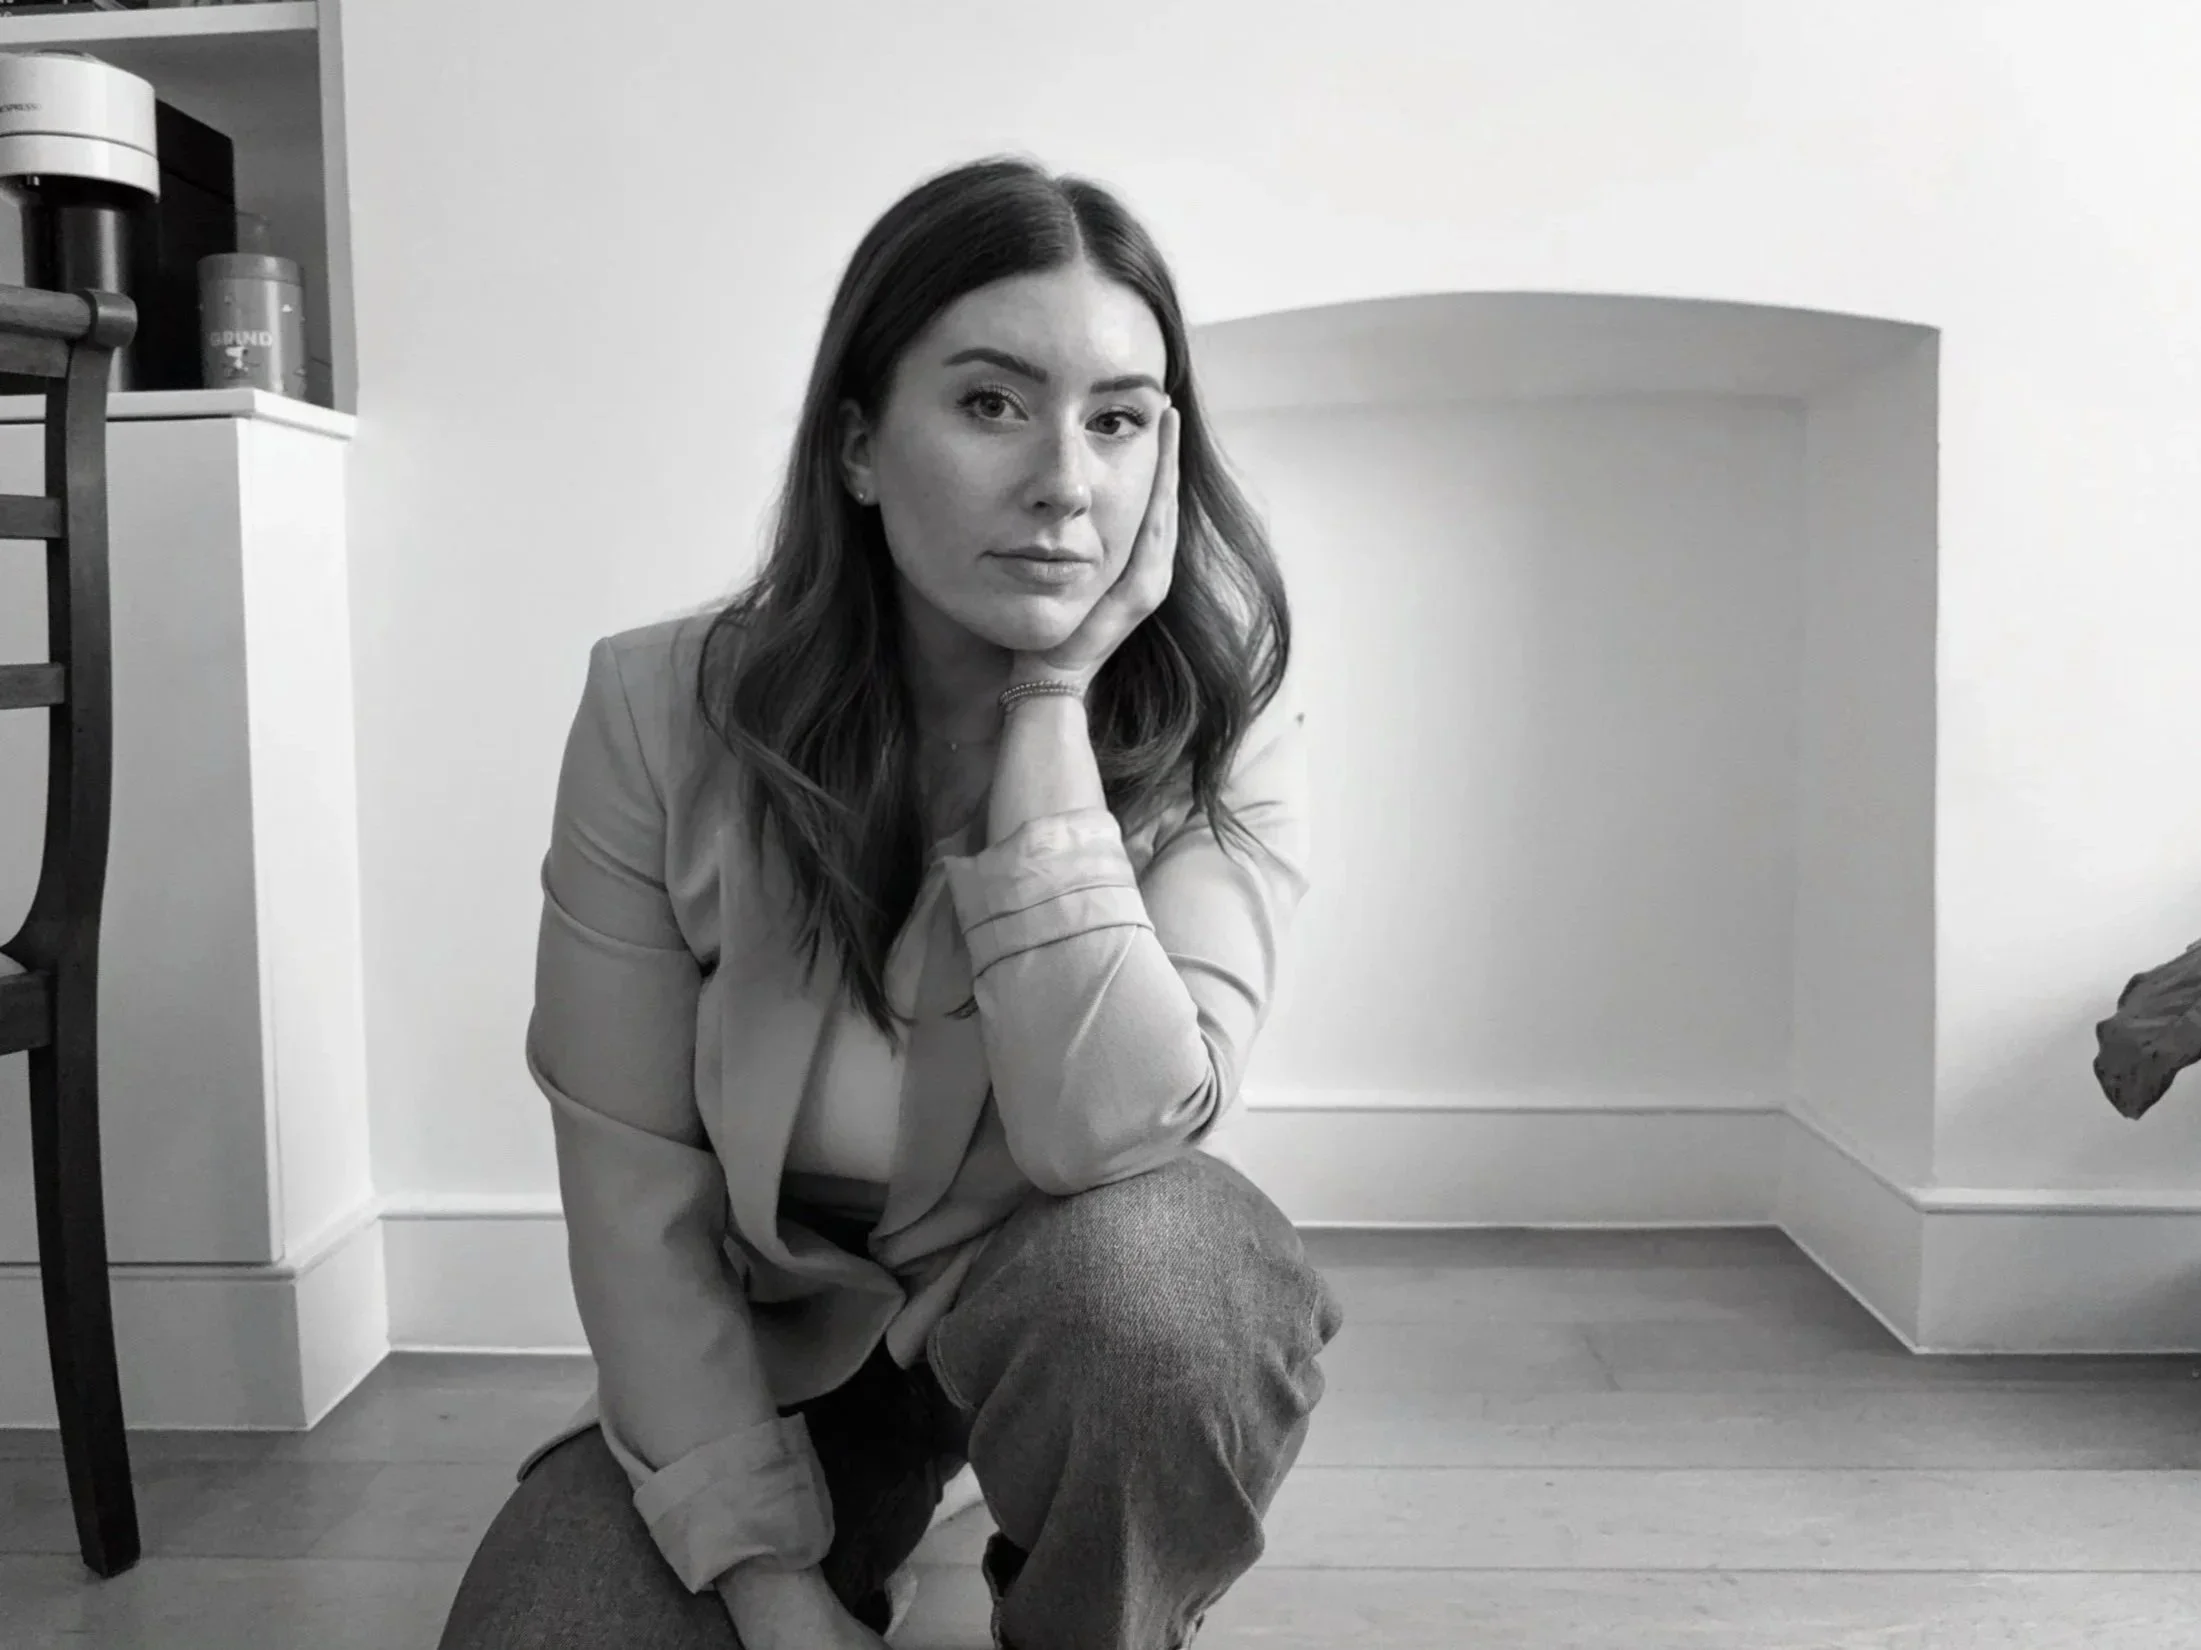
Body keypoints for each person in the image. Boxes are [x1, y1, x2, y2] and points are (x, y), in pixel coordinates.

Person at [436, 153, 1346, 1650]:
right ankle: (858, 1532)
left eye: (1118, 420)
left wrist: (1052, 706)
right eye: (992, 402)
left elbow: (1117, 1137)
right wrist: (778, 1602)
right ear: (857, 445)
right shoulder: (657, 709)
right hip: (776, 1355)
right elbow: (634, 1196)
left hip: (1062, 1325)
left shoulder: (1222, 728)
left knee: (1175, 1278)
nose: (1066, 478)